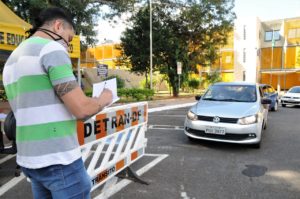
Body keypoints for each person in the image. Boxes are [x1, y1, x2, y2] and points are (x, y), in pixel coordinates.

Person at [2, 7, 112, 199]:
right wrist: (105, 98)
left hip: (30, 159)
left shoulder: (13, 58)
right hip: (58, 159)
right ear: (58, 26)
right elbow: (81, 109)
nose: (67, 47)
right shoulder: (51, 48)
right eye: (69, 40)